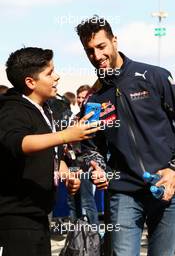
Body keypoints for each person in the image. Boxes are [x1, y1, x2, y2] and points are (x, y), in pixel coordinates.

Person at [76, 15, 175, 256]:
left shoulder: (155, 76)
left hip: (167, 186)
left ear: (114, 41)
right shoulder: (93, 99)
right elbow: (89, 147)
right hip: (123, 193)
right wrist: (96, 167)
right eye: (90, 51)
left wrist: (173, 168)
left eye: (101, 46)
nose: (97, 56)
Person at [0, 47, 100, 256]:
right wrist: (66, 135)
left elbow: (51, 154)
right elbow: (19, 143)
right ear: (30, 82)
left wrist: (66, 175)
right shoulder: (11, 109)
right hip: (15, 220)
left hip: (40, 215)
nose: (57, 76)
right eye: (49, 73)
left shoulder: (46, 109)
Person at [67, 85, 99, 226]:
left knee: (86, 200)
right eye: (79, 97)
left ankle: (93, 235)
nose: (81, 100)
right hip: (72, 163)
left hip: (86, 164)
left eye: (84, 97)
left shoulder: (93, 118)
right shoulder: (74, 116)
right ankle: (76, 237)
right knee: (72, 201)